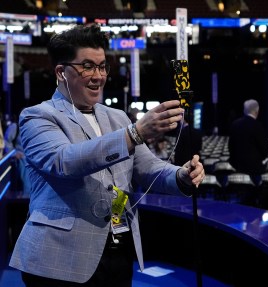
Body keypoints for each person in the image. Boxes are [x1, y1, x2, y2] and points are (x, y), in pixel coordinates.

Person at [9, 24, 205, 287]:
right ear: (61, 72)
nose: (98, 75)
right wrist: (134, 133)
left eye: (102, 67)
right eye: (87, 66)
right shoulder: (37, 116)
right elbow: (64, 161)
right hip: (58, 260)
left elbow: (148, 168)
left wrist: (180, 175)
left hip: (116, 252)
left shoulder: (117, 117)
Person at [228, 99, 268, 182]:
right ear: (257, 111)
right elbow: (265, 150)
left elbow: (230, 147)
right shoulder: (259, 126)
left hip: (238, 168)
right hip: (255, 170)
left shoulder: (235, 124)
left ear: (244, 110)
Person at [4, 118, 31, 197]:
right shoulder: (15, 126)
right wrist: (14, 153)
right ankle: (26, 196)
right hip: (21, 157)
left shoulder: (34, 127)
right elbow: (6, 141)